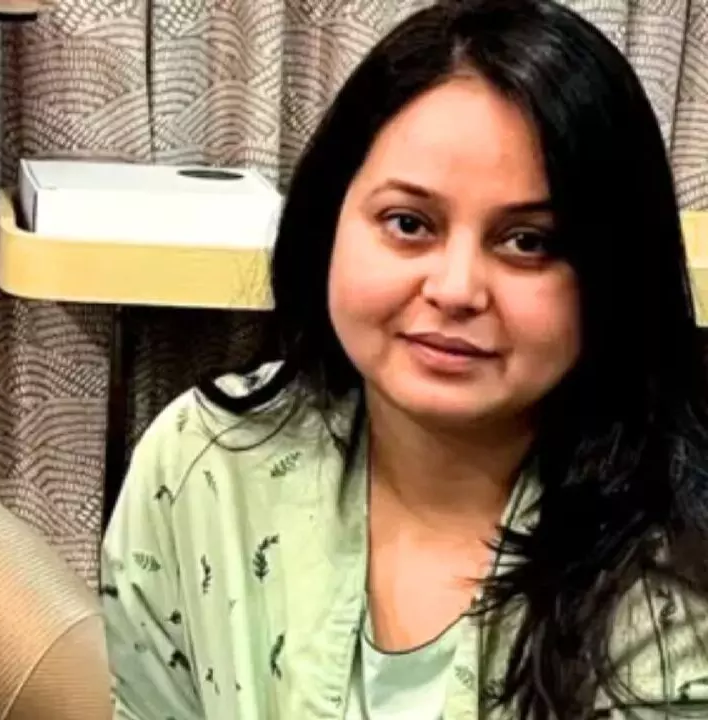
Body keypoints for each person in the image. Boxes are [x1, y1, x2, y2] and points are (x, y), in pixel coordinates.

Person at [102, 0, 708, 717]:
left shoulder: (675, 581)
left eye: (528, 242)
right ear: (329, 219)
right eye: (409, 223)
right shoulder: (205, 462)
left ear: (615, 275)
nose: (455, 289)